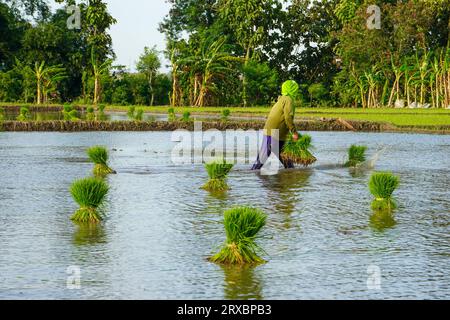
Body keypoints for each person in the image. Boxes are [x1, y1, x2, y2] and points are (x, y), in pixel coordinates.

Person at [252, 80, 299, 170]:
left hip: (276, 132)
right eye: (295, 88)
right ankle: (250, 175)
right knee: (261, 160)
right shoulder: (288, 100)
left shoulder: (282, 99)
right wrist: (294, 132)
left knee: (286, 160)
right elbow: (288, 117)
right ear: (292, 89)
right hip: (274, 132)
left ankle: (291, 173)